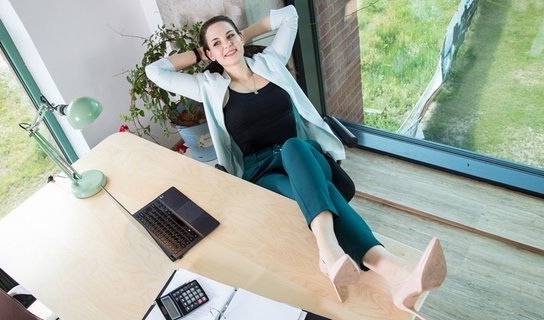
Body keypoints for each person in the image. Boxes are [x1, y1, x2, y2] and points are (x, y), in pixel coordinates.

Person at [146, 5, 447, 319]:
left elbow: (288, 15)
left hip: (304, 155)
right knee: (321, 196)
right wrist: (199, 53)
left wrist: (243, 35)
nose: (227, 45)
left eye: (230, 36)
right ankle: (397, 276)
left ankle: (328, 253)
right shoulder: (207, 87)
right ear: (210, 53)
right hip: (261, 172)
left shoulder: (270, 61)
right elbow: (155, 72)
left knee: (293, 147)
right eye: (217, 43)